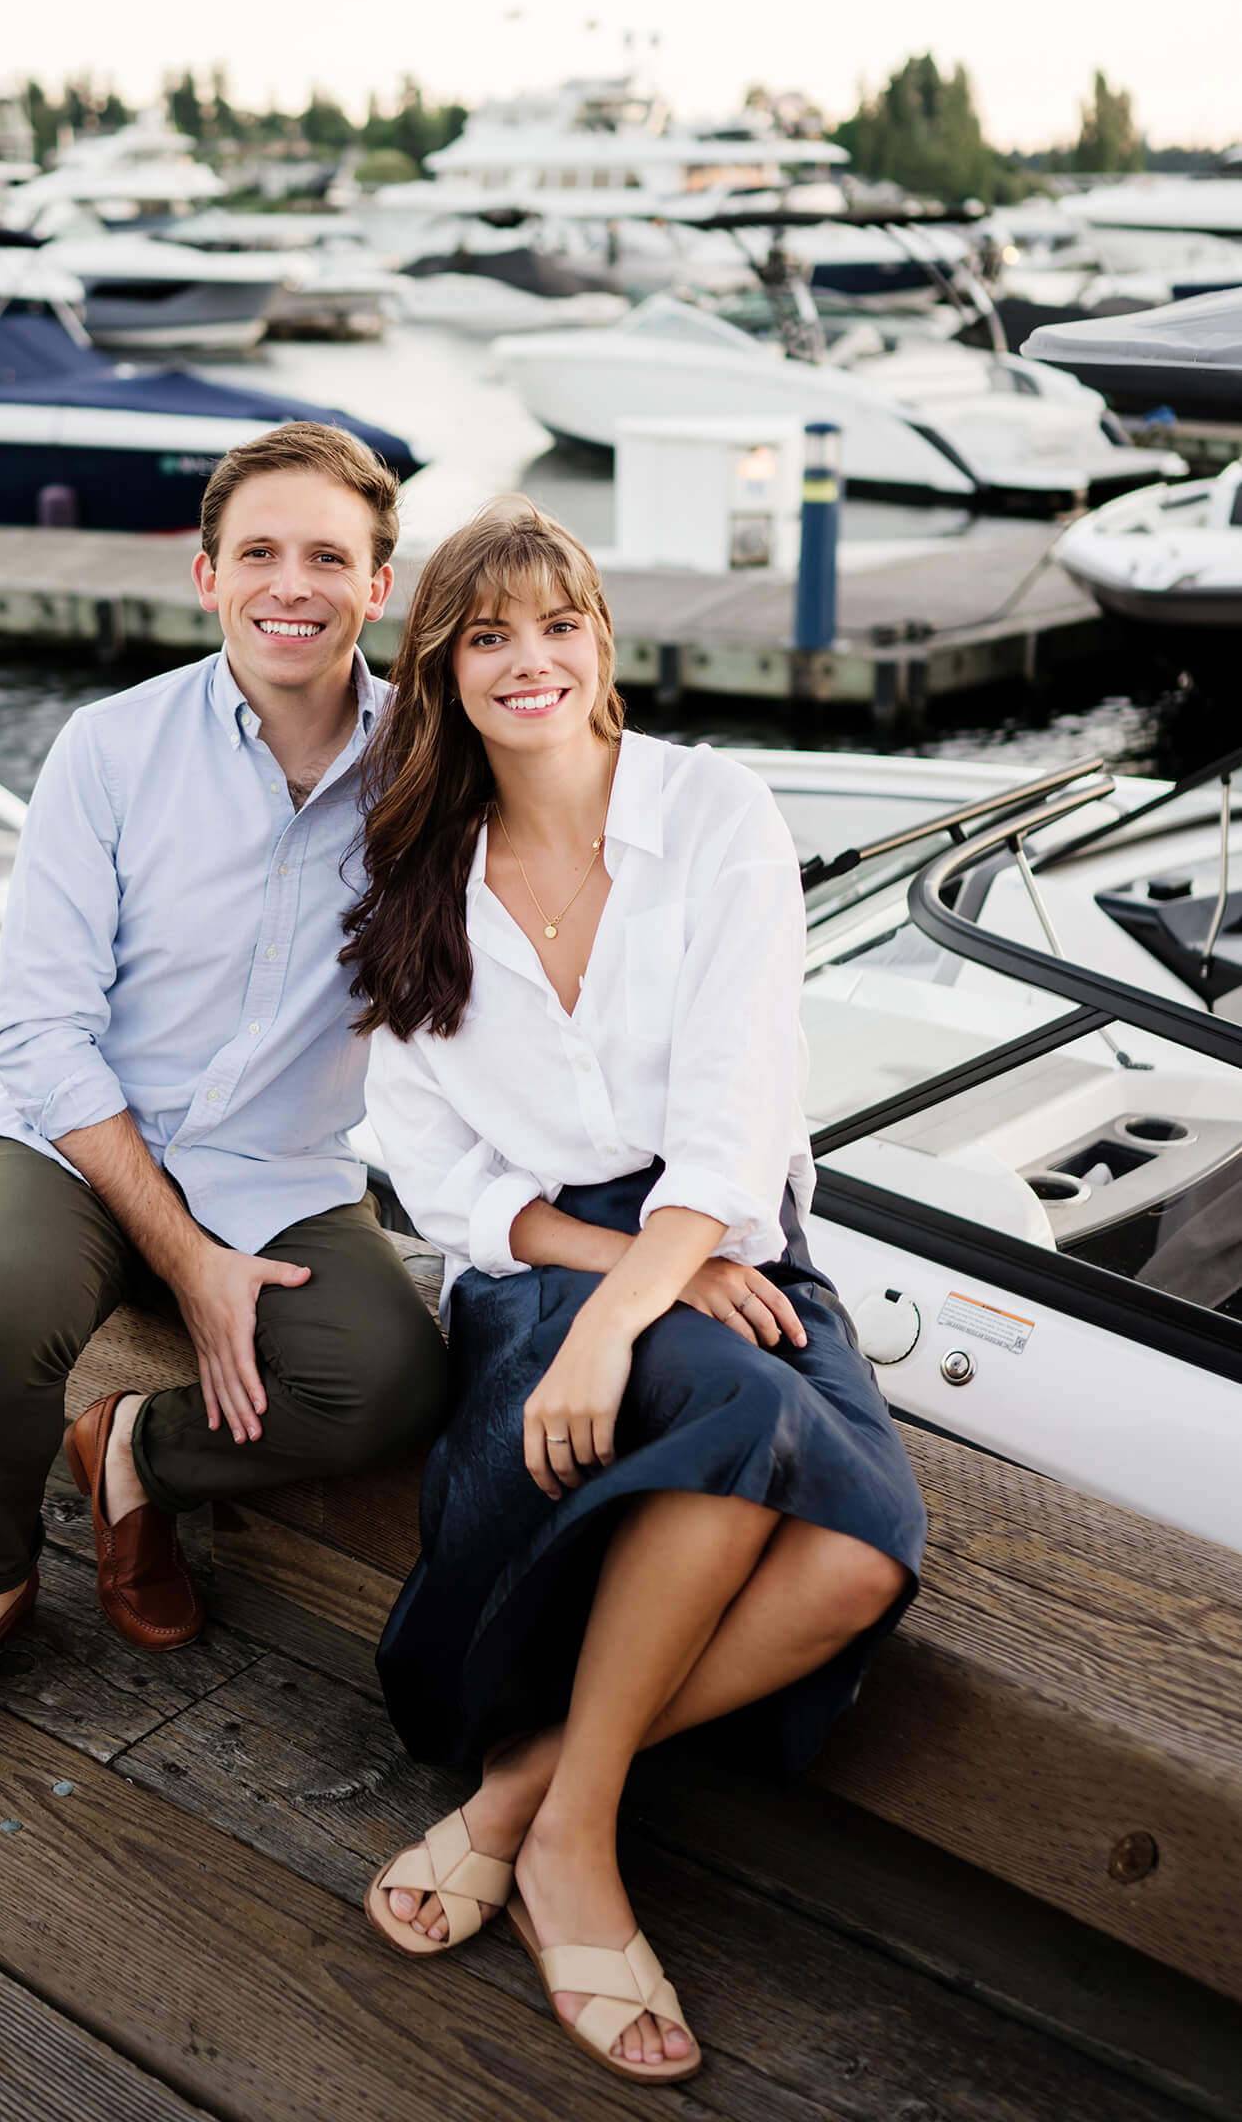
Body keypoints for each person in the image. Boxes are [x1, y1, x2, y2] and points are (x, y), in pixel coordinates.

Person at [345, 500, 925, 2088]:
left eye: (559, 626)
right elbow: (435, 1166)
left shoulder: (716, 812)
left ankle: (528, 1792)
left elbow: (739, 1122)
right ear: (443, 673)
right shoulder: (415, 867)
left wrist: (647, 1299)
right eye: (487, 638)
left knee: (859, 1563)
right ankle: (580, 1853)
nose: (530, 662)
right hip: (537, 1266)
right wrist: (610, 1287)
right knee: (741, 1407)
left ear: (602, 641)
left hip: (723, 1229)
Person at [0, 423, 450, 1760]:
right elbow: (44, 1029)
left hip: (278, 1165)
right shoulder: (109, 748)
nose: (289, 584)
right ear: (206, 578)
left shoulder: (432, 765)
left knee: (390, 1385)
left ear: (378, 586)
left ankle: (135, 1455)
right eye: (259, 554)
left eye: (327, 557)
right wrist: (186, 1261)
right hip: (77, 1138)